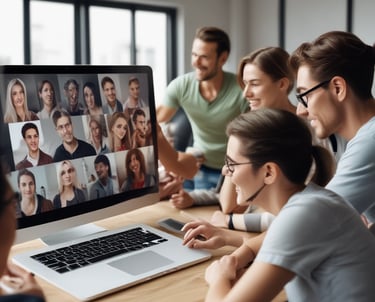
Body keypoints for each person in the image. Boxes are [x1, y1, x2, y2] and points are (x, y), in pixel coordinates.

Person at [183, 109, 375, 302]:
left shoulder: (304, 215)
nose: (225, 171)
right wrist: (235, 259)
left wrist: (219, 278)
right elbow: (256, 245)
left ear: (268, 173)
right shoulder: (312, 202)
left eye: (231, 163)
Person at [289, 31, 375, 223]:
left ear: (337, 88)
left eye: (305, 96)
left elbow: (315, 219)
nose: (300, 111)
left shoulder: (370, 141)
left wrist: (242, 244)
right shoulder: (358, 139)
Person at [157, 26, 248, 192]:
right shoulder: (181, 86)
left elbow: (251, 138)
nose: (196, 63)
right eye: (194, 55)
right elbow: (157, 118)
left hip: (228, 171)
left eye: (204, 57)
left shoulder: (242, 90)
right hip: (196, 164)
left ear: (223, 58)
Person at [0, 163, 46, 301]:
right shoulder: (30, 298)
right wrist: (32, 298)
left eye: (31, 184)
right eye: (12, 202)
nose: (28, 188)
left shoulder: (45, 203)